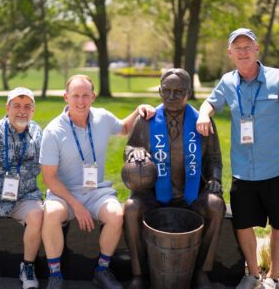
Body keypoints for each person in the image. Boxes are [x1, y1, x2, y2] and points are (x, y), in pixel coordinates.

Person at [39, 74, 155, 289]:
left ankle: (102, 270)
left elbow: (124, 129)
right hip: (64, 193)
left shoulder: (102, 117)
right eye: (75, 96)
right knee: (52, 213)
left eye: (85, 95)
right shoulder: (53, 131)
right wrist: (76, 206)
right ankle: (55, 274)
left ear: (93, 96)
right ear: (66, 97)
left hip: (96, 191)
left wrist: (140, 107)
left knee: (116, 215)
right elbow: (49, 178)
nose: (81, 101)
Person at [122, 68, 225, 289]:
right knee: (131, 208)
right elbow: (130, 147)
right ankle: (139, 275)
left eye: (178, 92)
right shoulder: (147, 120)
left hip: (191, 193)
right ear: (159, 91)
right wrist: (134, 153)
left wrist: (215, 178)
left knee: (216, 206)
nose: (171, 97)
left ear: (188, 92)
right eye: (166, 91)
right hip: (153, 194)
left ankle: (201, 273)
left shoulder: (202, 122)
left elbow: (214, 158)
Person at [196, 28, 279, 289]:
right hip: (243, 170)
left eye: (248, 46)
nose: (243, 51)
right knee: (243, 224)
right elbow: (211, 102)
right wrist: (203, 114)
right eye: (237, 47)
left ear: (256, 50)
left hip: (275, 167)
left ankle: (274, 276)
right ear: (230, 53)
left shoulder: (276, 79)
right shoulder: (227, 82)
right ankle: (253, 274)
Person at [0, 87, 44, 289]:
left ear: (33, 110)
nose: (22, 111)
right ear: (7, 108)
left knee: (38, 215)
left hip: (24, 196)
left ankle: (27, 267)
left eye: (27, 107)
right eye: (16, 106)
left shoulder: (37, 132)